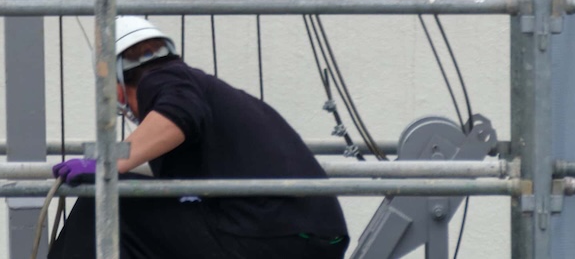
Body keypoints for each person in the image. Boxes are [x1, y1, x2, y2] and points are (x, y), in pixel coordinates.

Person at [45, 18, 349, 259]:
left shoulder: (163, 79)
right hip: (304, 235)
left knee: (104, 202)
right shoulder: (200, 88)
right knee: (140, 216)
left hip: (274, 234)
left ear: (117, 85)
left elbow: (181, 114)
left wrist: (107, 162)